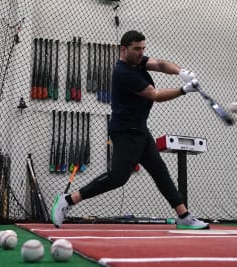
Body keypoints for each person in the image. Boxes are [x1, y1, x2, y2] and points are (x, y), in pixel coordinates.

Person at [51, 30, 209, 230]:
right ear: (123, 50)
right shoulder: (123, 72)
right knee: (118, 177)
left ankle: (184, 216)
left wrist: (181, 72)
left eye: (143, 48)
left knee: (160, 172)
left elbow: (160, 64)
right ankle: (68, 200)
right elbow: (155, 94)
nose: (141, 53)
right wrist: (183, 90)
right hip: (125, 131)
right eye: (137, 49)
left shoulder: (138, 61)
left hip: (140, 129)